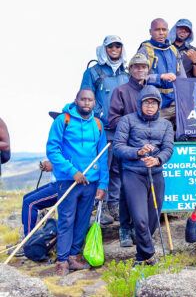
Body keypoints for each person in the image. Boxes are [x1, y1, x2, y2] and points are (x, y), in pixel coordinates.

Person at [46, 89, 108, 276]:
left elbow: (102, 155)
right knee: (66, 220)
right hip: (68, 181)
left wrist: (103, 184)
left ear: (94, 103)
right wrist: (72, 171)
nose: (86, 103)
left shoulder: (98, 124)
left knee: (82, 221)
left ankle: (73, 256)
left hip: (91, 182)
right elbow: (52, 150)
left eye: (90, 100)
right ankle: (62, 261)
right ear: (76, 100)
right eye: (83, 99)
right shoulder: (62, 121)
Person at [113, 85, 174, 266]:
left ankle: (141, 258)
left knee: (152, 221)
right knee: (140, 219)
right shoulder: (127, 120)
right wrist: (138, 152)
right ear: (140, 104)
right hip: (133, 175)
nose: (149, 106)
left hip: (155, 174)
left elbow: (169, 148)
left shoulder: (166, 124)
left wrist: (157, 160)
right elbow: (118, 147)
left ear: (158, 105)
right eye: (146, 102)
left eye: (153, 103)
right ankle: (151, 257)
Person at [81, 35, 130, 225]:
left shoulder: (127, 72)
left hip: (123, 129)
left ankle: (114, 204)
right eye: (111, 46)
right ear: (105, 49)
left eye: (118, 45)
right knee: (104, 165)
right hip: (102, 128)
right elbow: (86, 99)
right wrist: (101, 116)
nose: (115, 49)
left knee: (119, 166)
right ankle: (100, 205)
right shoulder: (94, 72)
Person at [108, 53, 151, 247]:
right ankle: (124, 228)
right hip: (127, 147)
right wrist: (131, 126)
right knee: (126, 190)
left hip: (148, 148)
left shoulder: (151, 90)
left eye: (143, 67)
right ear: (130, 69)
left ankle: (138, 228)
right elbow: (113, 119)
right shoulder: (121, 91)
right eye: (136, 67)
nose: (140, 70)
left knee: (143, 191)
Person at [137, 18, 180, 125]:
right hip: (154, 104)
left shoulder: (173, 50)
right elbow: (138, 76)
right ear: (150, 31)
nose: (161, 33)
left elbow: (182, 77)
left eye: (164, 30)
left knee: (186, 133)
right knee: (155, 135)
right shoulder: (145, 50)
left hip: (175, 103)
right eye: (157, 30)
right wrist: (160, 77)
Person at [21, 161, 58, 236]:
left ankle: (28, 240)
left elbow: (71, 161)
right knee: (26, 198)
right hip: (54, 183)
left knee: (29, 203)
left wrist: (54, 165)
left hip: (62, 184)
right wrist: (48, 165)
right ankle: (28, 231)